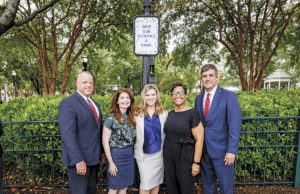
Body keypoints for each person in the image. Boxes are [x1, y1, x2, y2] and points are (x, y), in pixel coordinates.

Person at [195, 64, 242, 194]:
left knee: (226, 188)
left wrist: (231, 151)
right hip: (204, 152)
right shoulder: (198, 99)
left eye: (210, 75)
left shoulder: (229, 96)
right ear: (201, 79)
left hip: (223, 153)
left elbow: (234, 125)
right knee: (208, 187)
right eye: (204, 76)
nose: (207, 78)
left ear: (216, 77)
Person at [58, 71, 105, 194]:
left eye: (91, 82)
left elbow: (97, 130)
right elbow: (68, 134)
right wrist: (78, 160)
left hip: (94, 160)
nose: (88, 85)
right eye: (85, 82)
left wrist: (102, 152)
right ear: (77, 84)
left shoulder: (95, 104)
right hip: (79, 162)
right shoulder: (68, 103)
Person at [163, 83, 204, 194]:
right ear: (171, 96)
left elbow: (200, 139)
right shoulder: (170, 113)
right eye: (175, 93)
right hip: (169, 157)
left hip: (185, 157)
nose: (178, 96)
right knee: (171, 187)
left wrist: (196, 163)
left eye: (181, 93)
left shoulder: (192, 113)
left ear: (186, 95)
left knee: (185, 188)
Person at [134, 84, 168, 194]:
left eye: (153, 94)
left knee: (156, 183)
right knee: (145, 183)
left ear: (157, 96)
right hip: (144, 157)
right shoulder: (137, 113)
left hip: (159, 155)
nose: (150, 97)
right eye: (147, 95)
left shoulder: (164, 113)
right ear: (143, 97)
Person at [102, 88, 136, 194]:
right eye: (122, 98)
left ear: (130, 101)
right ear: (117, 101)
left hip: (129, 154)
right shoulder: (111, 118)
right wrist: (111, 163)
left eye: (127, 98)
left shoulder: (132, 117)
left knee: (124, 187)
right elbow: (105, 142)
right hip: (116, 156)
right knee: (114, 188)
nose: (125, 100)